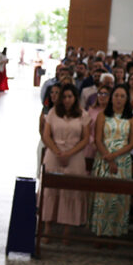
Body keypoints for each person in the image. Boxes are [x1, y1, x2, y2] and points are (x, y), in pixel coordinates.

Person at [40, 84, 88, 242]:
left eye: (70, 97)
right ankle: (47, 227)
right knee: (51, 190)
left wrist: (69, 153)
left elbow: (85, 139)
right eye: (64, 97)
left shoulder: (82, 114)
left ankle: (66, 231)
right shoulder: (53, 112)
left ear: (75, 98)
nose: (67, 100)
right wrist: (57, 151)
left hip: (74, 156)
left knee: (70, 192)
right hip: (54, 154)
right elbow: (46, 136)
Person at [90, 85, 133, 239]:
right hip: (103, 158)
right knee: (103, 197)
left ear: (126, 99)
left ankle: (114, 234)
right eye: (116, 95)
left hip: (122, 161)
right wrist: (107, 156)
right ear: (112, 98)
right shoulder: (103, 115)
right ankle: (99, 232)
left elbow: (131, 143)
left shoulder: (132, 119)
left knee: (117, 198)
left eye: (122, 96)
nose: (118, 99)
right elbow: (97, 139)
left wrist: (115, 155)